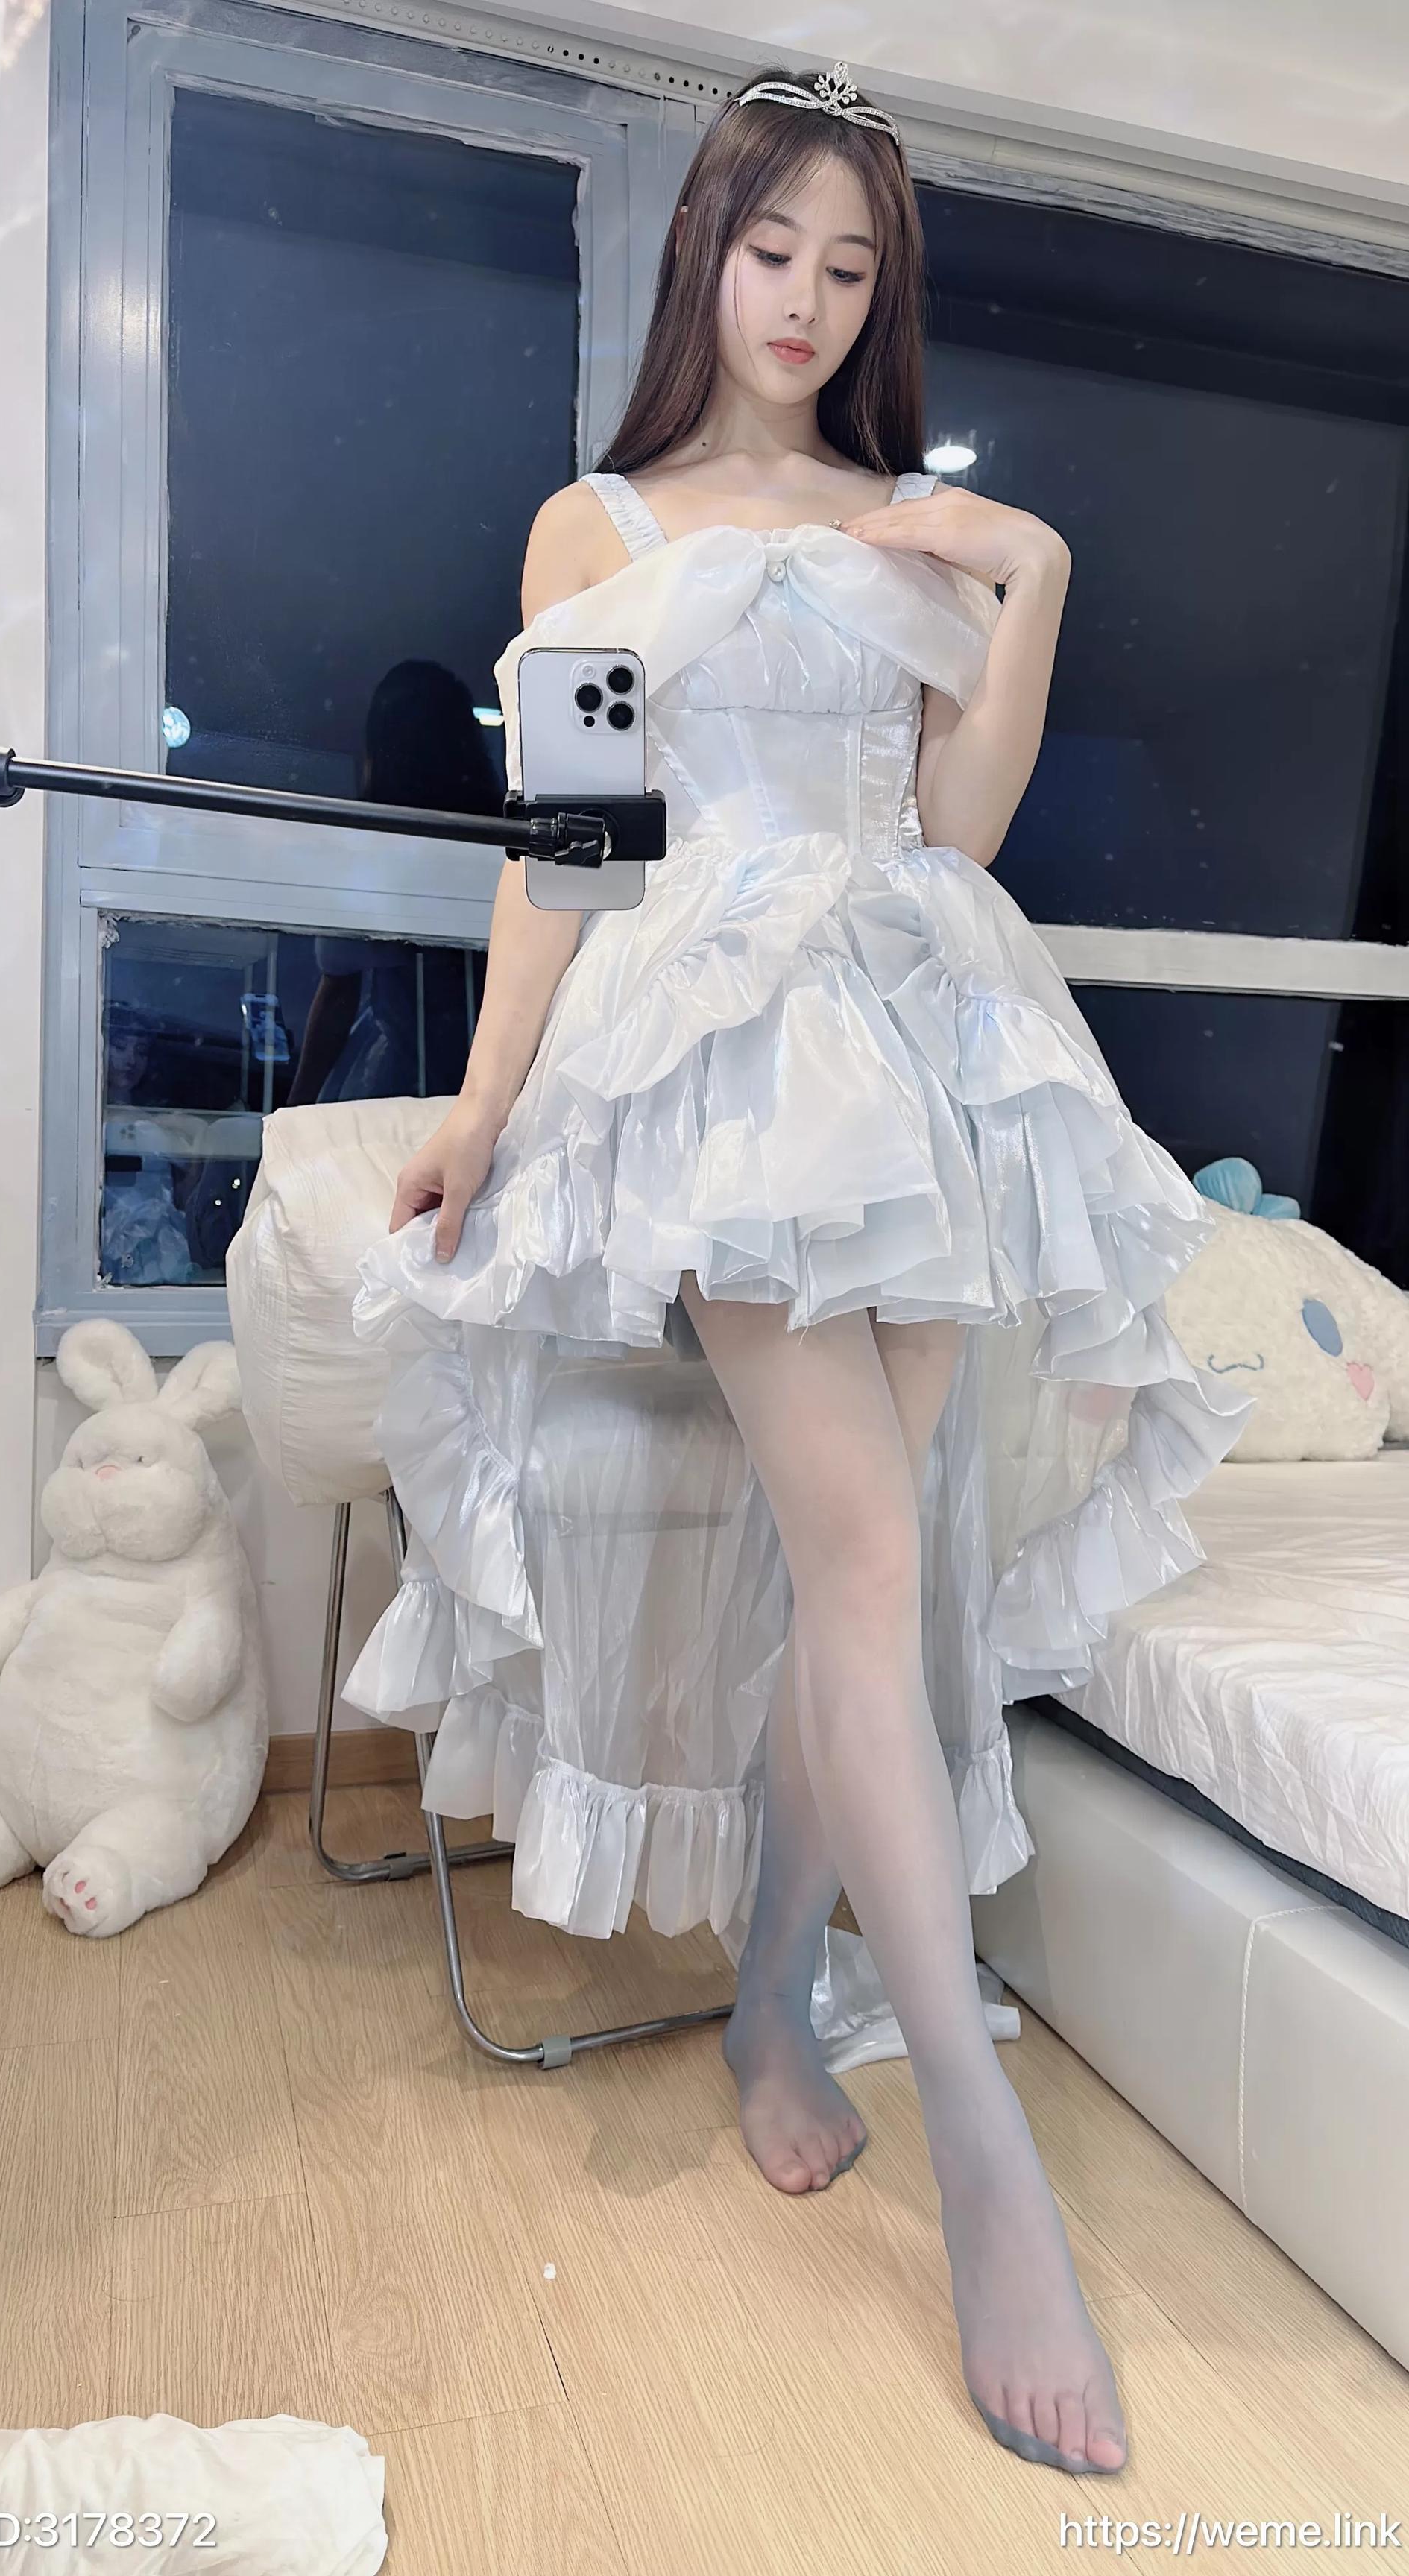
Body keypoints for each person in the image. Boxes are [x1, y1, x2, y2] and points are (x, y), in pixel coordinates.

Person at [349, 60, 1252, 2479]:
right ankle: (984, 2154)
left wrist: (1033, 580)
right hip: (724, 1063)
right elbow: (572, 851)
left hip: (923, 1051)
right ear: (706, 254)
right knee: (863, 1561)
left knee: (869, 1575)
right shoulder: (599, 526)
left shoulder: (913, 529)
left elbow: (955, 827)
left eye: (852, 270)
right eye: (775, 253)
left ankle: (774, 1995)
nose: (809, 302)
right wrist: (482, 1107)